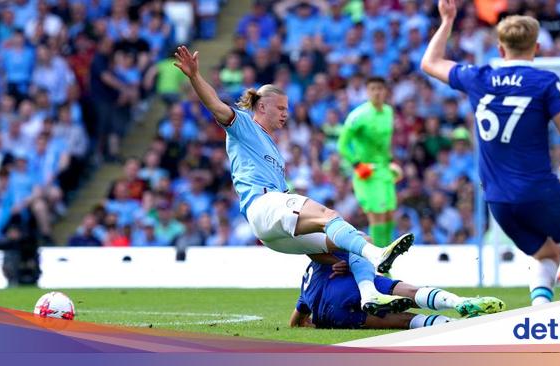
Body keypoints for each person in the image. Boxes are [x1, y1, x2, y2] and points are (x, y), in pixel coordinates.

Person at [173, 46, 413, 314]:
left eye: (287, 109)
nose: (286, 113)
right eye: (281, 108)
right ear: (262, 106)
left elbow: (303, 233)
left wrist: (331, 259)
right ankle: (379, 256)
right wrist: (194, 76)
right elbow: (215, 105)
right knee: (329, 214)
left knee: (357, 241)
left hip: (275, 236)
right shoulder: (243, 125)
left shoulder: (275, 152)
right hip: (263, 205)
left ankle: (370, 295)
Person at [420, 0, 560, 305]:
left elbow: (430, 62)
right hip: (538, 189)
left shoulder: (478, 77)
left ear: (500, 49)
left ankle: (541, 314)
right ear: (537, 47)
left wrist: (447, 20)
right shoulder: (544, 82)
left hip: (498, 199)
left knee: (548, 253)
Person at [289, 252, 505, 329]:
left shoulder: (305, 283)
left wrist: (315, 322)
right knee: (409, 292)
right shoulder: (337, 248)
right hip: (349, 282)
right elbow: (365, 243)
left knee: (401, 321)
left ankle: (457, 326)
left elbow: (296, 322)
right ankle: (457, 302)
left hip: (330, 311)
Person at [338, 77, 402, 248]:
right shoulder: (358, 115)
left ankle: (387, 261)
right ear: (367, 92)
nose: (377, 92)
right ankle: (378, 262)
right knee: (377, 216)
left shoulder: (388, 112)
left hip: (385, 171)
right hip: (368, 173)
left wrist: (390, 162)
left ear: (386, 91)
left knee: (389, 216)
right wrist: (357, 165)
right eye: (373, 89)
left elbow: (385, 143)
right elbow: (343, 144)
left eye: (380, 88)